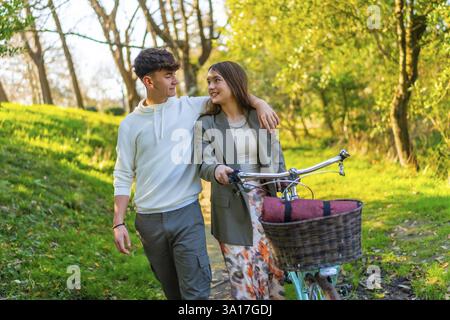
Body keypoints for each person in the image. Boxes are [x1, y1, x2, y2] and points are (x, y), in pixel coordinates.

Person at [112, 48, 280, 300]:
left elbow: (230, 92)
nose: (175, 81)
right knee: (172, 291)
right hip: (148, 221)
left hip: (186, 213)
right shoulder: (129, 125)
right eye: (168, 76)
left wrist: (259, 102)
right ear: (149, 81)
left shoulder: (190, 107)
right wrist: (119, 222)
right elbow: (123, 174)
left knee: (196, 291)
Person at [195, 61, 286, 300]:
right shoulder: (204, 123)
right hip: (232, 208)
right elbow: (201, 164)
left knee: (270, 272)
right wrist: (217, 171)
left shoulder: (259, 115)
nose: (211, 86)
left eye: (217, 80)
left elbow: (277, 155)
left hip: (267, 204)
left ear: (233, 83)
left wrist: (285, 179)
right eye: (209, 81)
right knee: (242, 277)